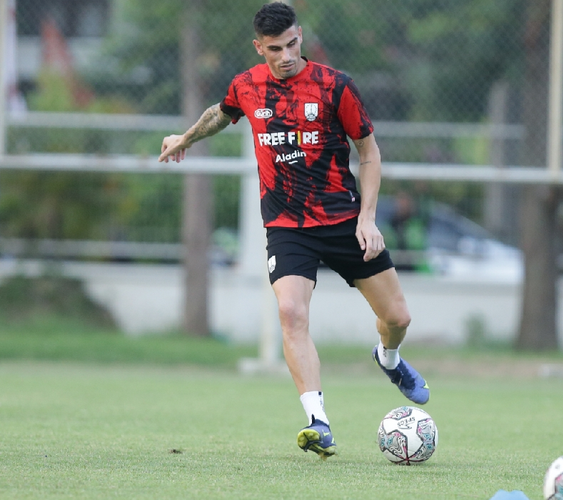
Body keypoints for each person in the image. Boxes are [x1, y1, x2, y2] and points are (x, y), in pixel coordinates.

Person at [159, 2, 429, 460]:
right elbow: (221, 113)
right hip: (287, 226)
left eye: (291, 44)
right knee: (291, 314)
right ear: (258, 47)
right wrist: (184, 138)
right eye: (274, 49)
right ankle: (317, 422)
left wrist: (367, 219)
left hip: (343, 219)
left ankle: (388, 359)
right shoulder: (247, 85)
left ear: (299, 36)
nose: (285, 55)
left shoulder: (334, 86)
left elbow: (369, 153)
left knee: (398, 318)